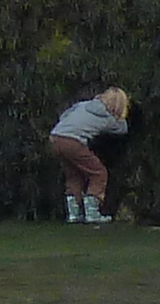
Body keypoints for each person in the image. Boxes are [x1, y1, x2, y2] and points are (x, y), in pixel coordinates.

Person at [46, 87, 132, 225]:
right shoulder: (108, 118)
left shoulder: (83, 105)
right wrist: (120, 116)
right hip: (72, 141)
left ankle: (74, 214)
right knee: (98, 173)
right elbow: (122, 129)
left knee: (74, 174)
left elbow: (63, 116)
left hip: (55, 137)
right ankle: (92, 212)